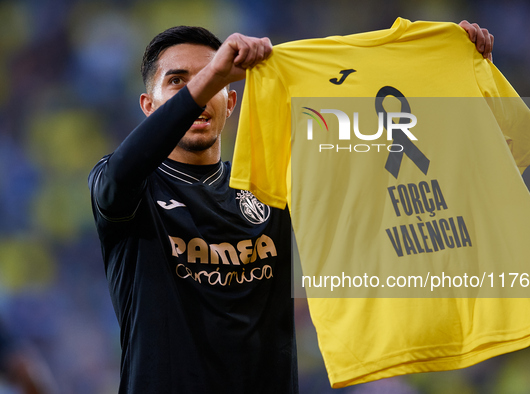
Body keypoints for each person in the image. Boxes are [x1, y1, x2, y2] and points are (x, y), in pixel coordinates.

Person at [88, 21, 494, 394]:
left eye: (212, 81)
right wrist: (215, 73)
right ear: (147, 105)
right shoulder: (124, 187)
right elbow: (126, 169)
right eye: (178, 81)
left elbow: (391, 172)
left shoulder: (273, 180)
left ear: (231, 104)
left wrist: (447, 70)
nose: (201, 94)